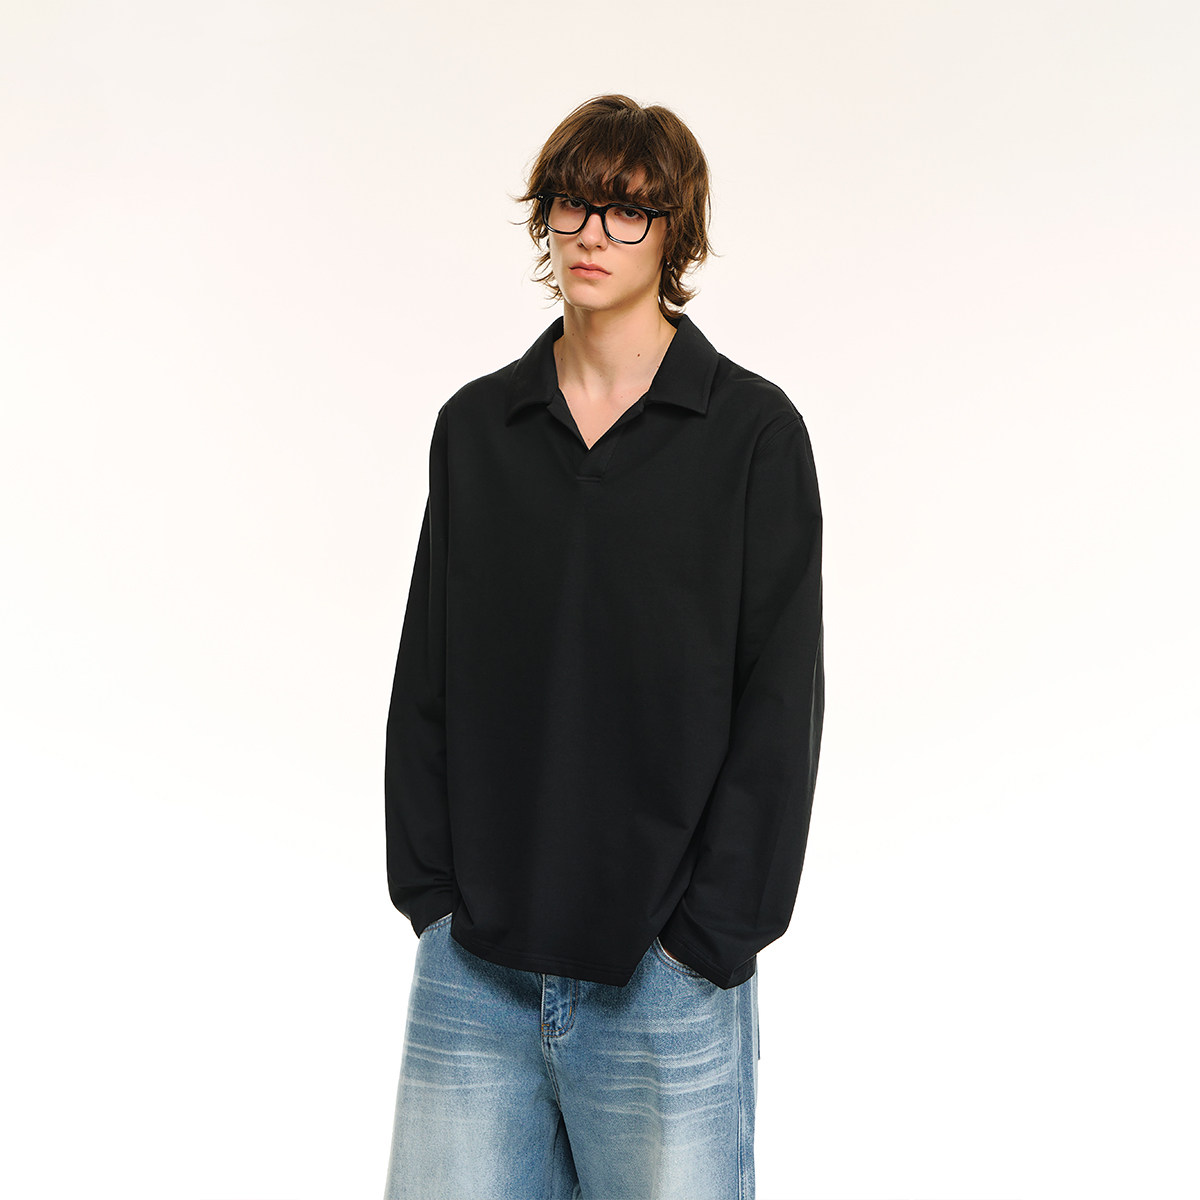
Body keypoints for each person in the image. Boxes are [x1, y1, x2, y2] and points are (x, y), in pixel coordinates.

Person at [382, 93, 824, 1200]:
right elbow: (426, 675)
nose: (592, 233)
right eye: (572, 204)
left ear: (677, 233)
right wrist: (432, 900)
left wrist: (709, 939)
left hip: (666, 977)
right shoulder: (477, 429)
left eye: (629, 211)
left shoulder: (753, 436)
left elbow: (781, 707)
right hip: (475, 971)